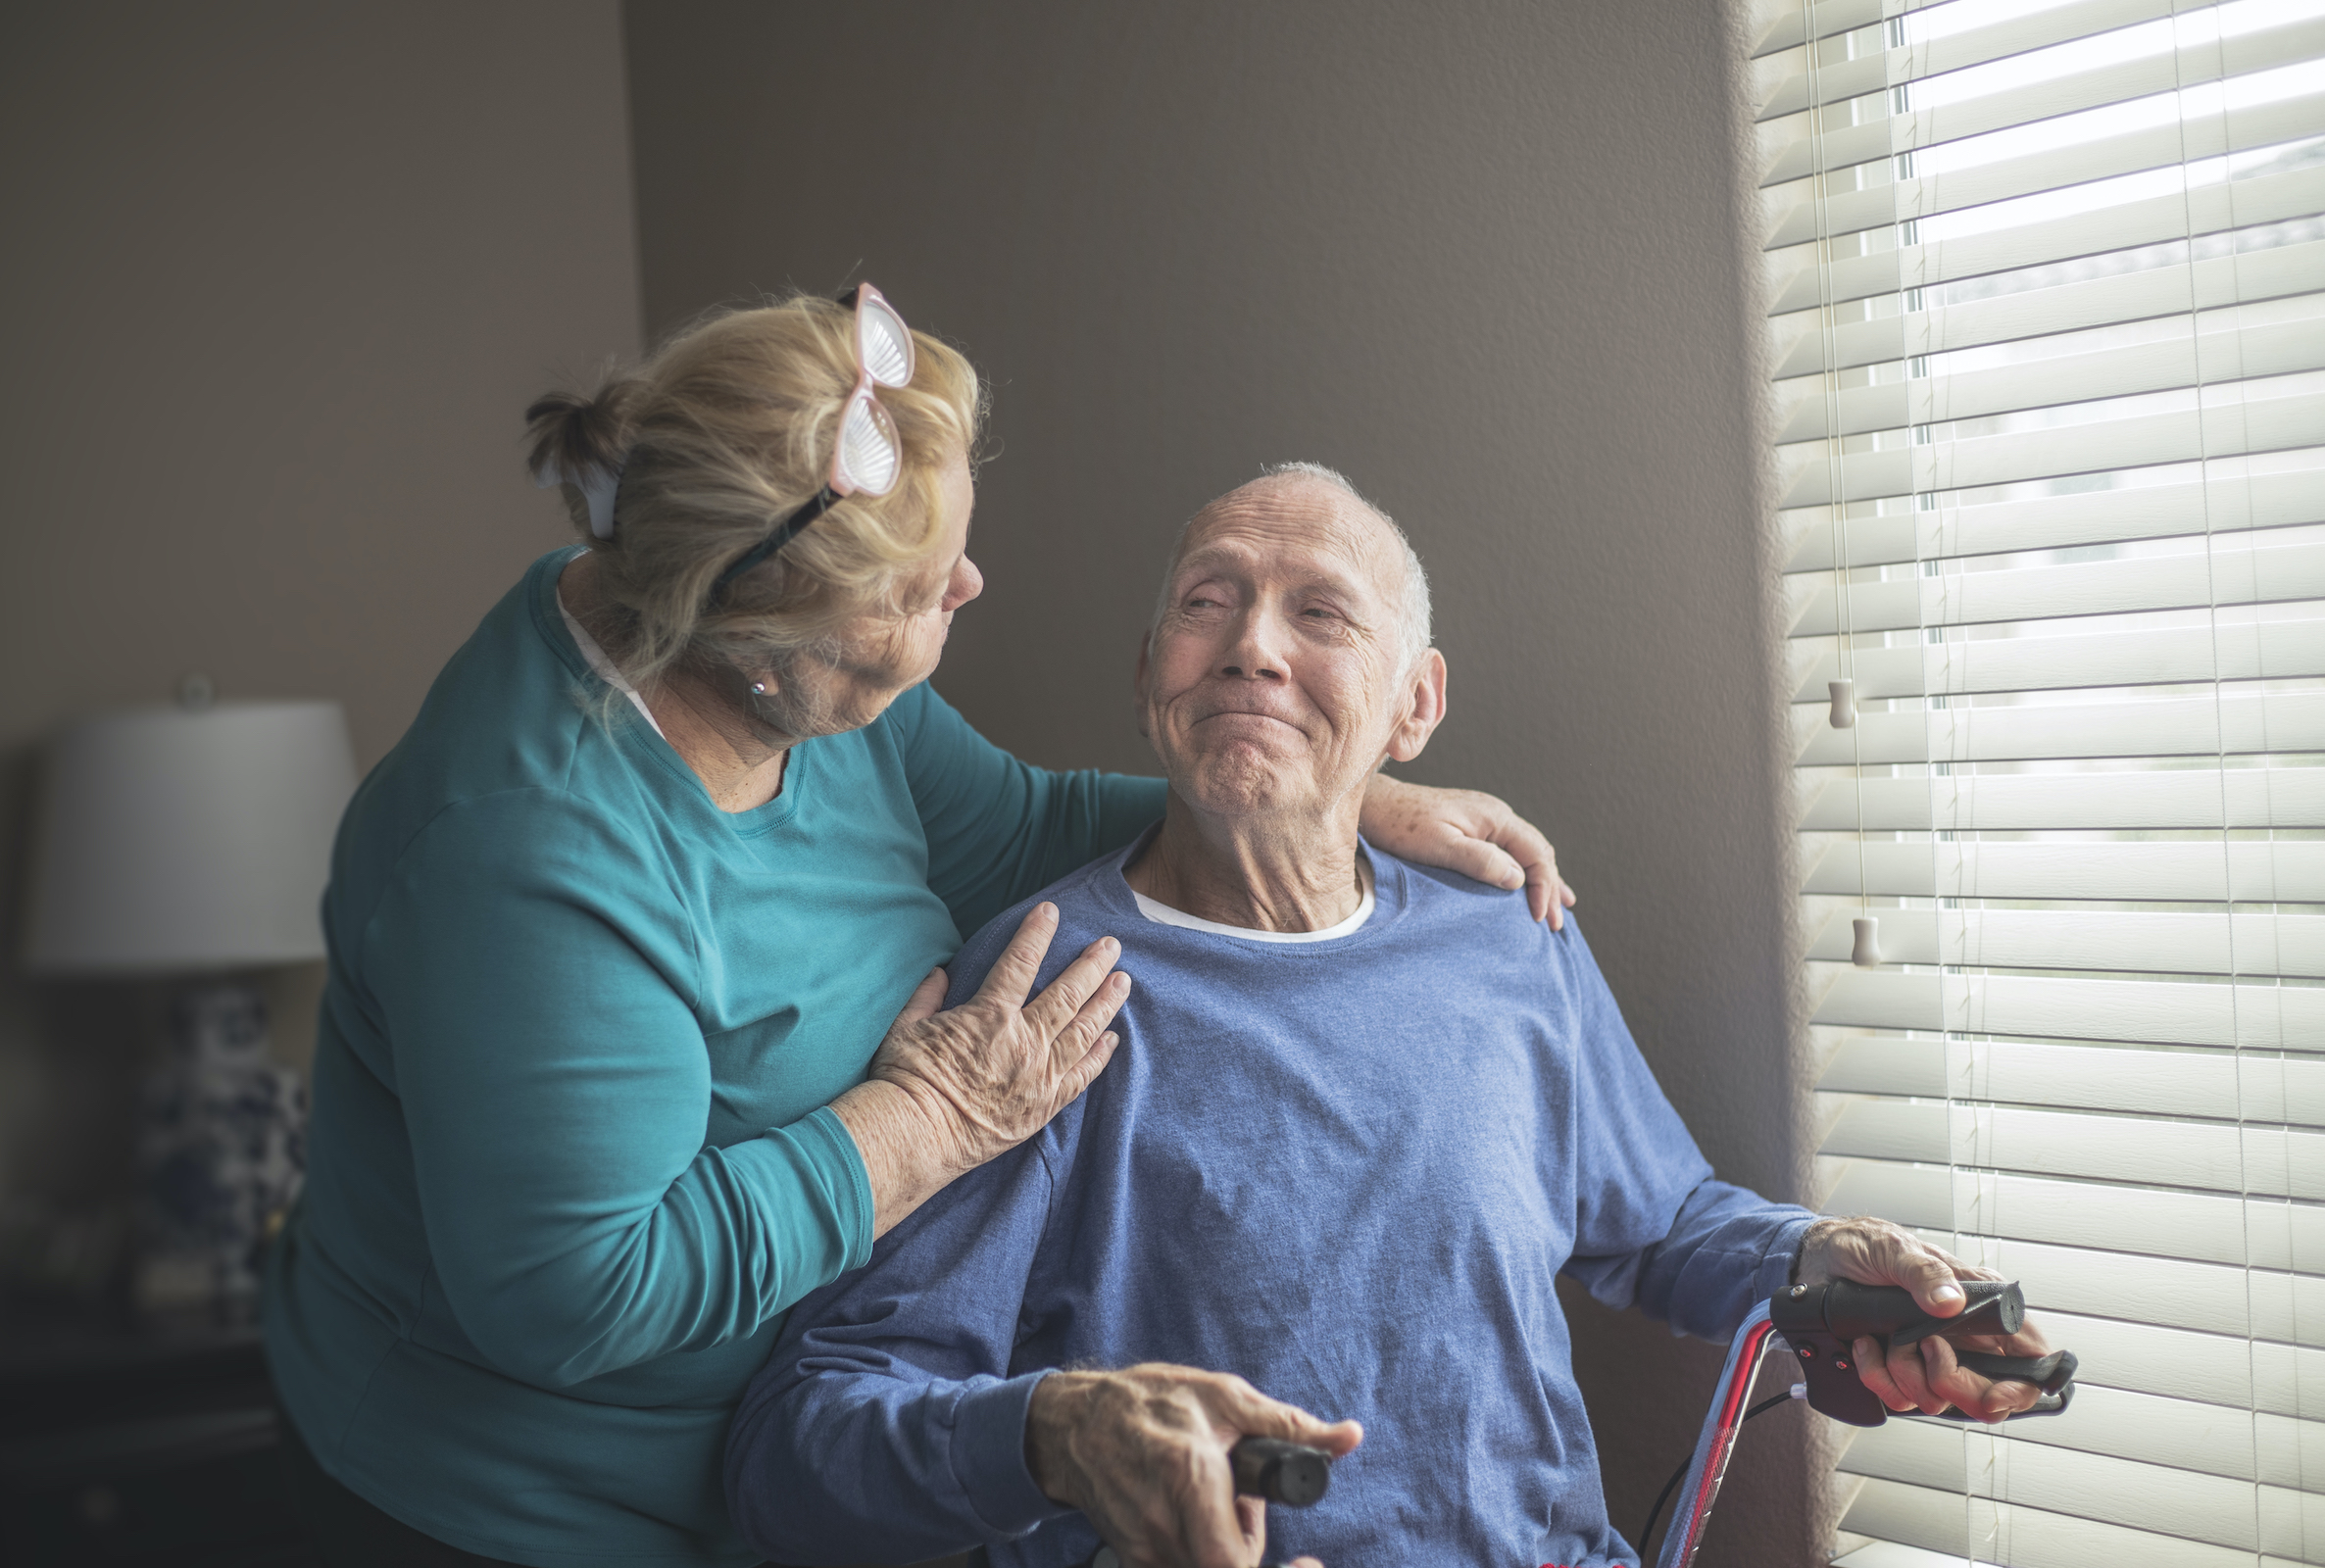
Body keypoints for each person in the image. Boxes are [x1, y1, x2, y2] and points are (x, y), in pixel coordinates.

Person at [260, 291, 1577, 1568]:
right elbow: (585, 1289)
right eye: (909, 588)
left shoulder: (763, 659)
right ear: (754, 632)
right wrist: (925, 1126)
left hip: (771, 1469)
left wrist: (1333, 791)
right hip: (518, 1510)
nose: (965, 581)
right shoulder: (523, 853)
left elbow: (1020, 825)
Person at [730, 465, 2054, 1568]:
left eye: (1320, 613)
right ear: (1152, 674)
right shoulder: (1038, 1000)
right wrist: (1055, 1431)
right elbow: (803, 1445)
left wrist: (1828, 1263)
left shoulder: (1507, 939)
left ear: (1414, 705)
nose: (1253, 644)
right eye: (1211, 602)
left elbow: (1658, 1221)